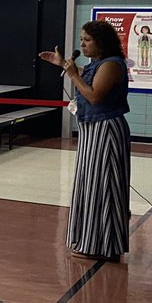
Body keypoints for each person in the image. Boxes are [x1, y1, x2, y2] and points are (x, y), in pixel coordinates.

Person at [39, 20, 131, 261]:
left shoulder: (112, 65)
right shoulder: (96, 64)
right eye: (81, 39)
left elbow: (94, 96)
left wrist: (71, 74)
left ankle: (104, 245)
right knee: (89, 185)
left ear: (101, 42)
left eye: (87, 40)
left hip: (106, 130)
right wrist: (64, 65)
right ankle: (88, 240)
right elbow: (86, 77)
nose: (82, 43)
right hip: (91, 130)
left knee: (104, 186)